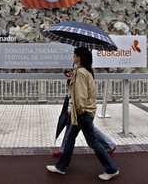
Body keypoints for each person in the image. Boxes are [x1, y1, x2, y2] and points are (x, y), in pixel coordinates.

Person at [47, 47, 119, 181]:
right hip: (84, 112)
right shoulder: (85, 71)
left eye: (74, 55)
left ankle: (111, 169)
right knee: (70, 140)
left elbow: (80, 96)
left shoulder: (80, 72)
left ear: (79, 57)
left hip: (82, 113)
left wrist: (76, 111)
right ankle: (61, 166)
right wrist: (71, 77)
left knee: (93, 142)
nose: (72, 58)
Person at [53, 71, 116, 158]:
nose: (67, 74)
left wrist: (72, 108)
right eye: (66, 73)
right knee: (70, 127)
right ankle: (63, 150)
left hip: (80, 109)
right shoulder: (74, 79)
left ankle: (110, 146)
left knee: (88, 129)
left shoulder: (80, 77)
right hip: (76, 108)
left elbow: (80, 96)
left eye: (69, 72)